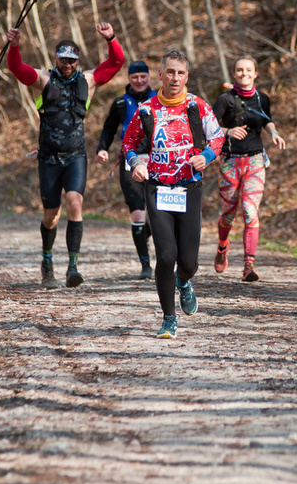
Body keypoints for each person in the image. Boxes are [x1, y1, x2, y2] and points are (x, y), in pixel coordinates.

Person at [7, 23, 124, 289]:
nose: (68, 65)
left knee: (74, 203)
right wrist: (14, 46)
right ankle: (47, 261)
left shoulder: (88, 81)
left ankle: (73, 267)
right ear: (56, 58)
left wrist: (111, 39)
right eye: (63, 60)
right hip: (49, 158)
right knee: (51, 215)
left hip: (75, 156)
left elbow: (116, 63)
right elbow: (17, 69)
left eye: (72, 60)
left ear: (77, 60)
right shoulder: (43, 80)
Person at [120, 49, 225, 339]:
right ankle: (169, 318)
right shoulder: (146, 109)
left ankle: (183, 282)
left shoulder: (197, 106)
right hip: (157, 189)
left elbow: (218, 138)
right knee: (166, 255)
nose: (175, 78)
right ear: (161, 75)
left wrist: (205, 156)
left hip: (189, 188)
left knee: (189, 263)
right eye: (170, 72)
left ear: (186, 76)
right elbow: (128, 144)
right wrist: (136, 163)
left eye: (180, 73)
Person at [211, 56, 286, 282]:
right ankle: (222, 246)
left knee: (250, 211)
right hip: (230, 162)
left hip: (255, 161)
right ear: (234, 74)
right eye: (240, 70)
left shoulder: (262, 98)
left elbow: (266, 120)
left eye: (248, 70)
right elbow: (210, 127)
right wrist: (228, 131)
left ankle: (248, 266)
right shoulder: (225, 99)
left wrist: (274, 133)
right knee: (228, 213)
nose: (244, 73)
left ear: (255, 73)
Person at [96, 60, 157, 280]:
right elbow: (108, 128)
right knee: (138, 212)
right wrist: (102, 148)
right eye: (134, 77)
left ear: (149, 77)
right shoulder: (121, 103)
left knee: (156, 214)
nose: (139, 81)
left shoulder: (159, 99)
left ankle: (149, 239)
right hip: (130, 161)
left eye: (143, 76)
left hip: (157, 160)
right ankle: (145, 265)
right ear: (129, 79)